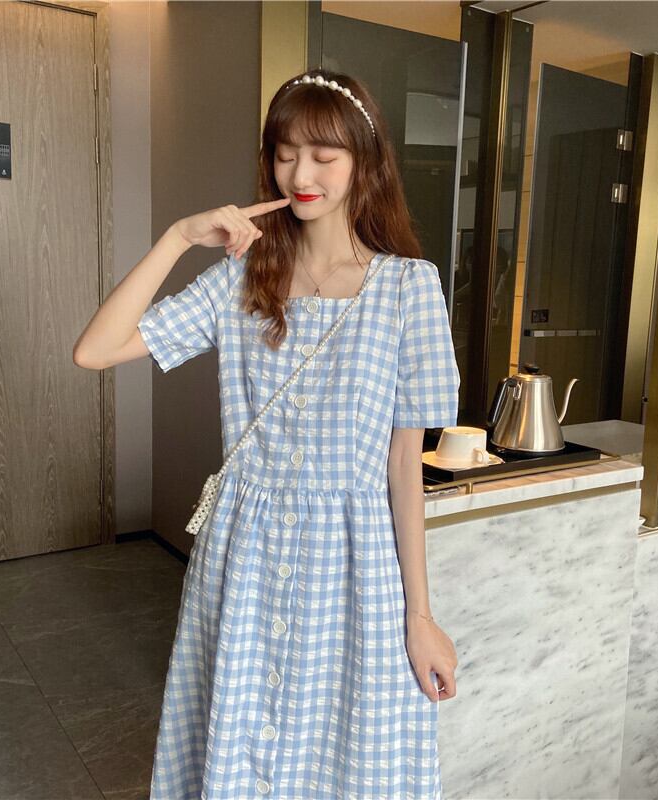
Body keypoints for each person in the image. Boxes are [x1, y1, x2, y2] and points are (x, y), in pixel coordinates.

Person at [73, 69, 460, 799]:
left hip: (355, 561)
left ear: (364, 162)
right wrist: (178, 236)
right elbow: (95, 350)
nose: (301, 175)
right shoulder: (242, 280)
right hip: (244, 554)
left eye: (324, 155)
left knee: (352, 758)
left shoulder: (408, 288)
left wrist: (421, 616)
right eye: (285, 154)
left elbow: (402, 466)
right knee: (242, 748)